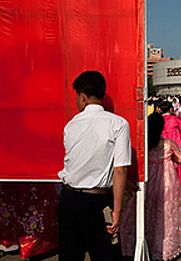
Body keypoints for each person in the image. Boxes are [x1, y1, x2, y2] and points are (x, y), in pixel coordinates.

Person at [58, 71, 131, 261]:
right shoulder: (118, 123)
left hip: (68, 198)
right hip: (98, 202)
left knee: (70, 255)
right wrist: (117, 212)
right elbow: (120, 169)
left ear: (82, 97)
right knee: (107, 255)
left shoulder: (71, 125)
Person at [121, 111, 181, 260]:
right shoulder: (168, 144)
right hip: (168, 181)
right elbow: (178, 159)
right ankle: (165, 247)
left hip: (148, 180)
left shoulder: (144, 146)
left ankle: (141, 243)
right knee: (166, 213)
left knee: (146, 211)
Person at [158, 100, 181, 193]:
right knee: (178, 166)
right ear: (171, 109)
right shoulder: (175, 119)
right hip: (175, 144)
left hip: (161, 145)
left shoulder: (160, 120)